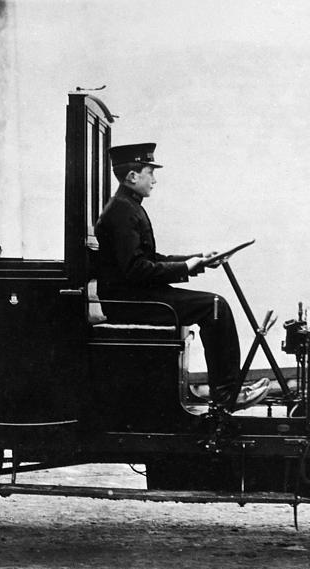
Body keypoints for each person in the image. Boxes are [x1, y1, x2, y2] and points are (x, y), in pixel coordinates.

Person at [94, 142, 270, 409]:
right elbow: (137, 269)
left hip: (135, 296)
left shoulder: (127, 206)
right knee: (215, 306)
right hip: (132, 302)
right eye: (149, 172)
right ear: (132, 177)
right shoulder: (122, 211)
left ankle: (226, 389)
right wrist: (188, 266)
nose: (154, 179)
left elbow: (149, 261)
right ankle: (226, 394)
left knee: (214, 305)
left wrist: (197, 260)